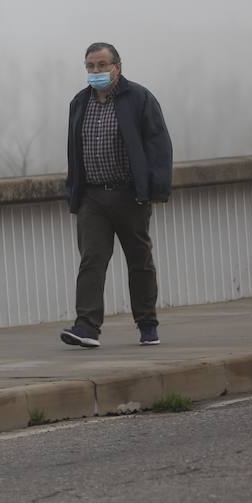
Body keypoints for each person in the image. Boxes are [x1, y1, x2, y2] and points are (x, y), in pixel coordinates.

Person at [60, 42, 173, 349]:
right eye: (90, 66)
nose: (95, 71)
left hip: (129, 195)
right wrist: (75, 193)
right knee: (92, 260)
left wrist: (153, 189)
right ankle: (86, 327)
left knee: (139, 261)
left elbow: (157, 144)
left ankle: (147, 324)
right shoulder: (79, 103)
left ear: (117, 67)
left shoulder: (138, 98)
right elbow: (74, 151)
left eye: (101, 65)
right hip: (92, 197)